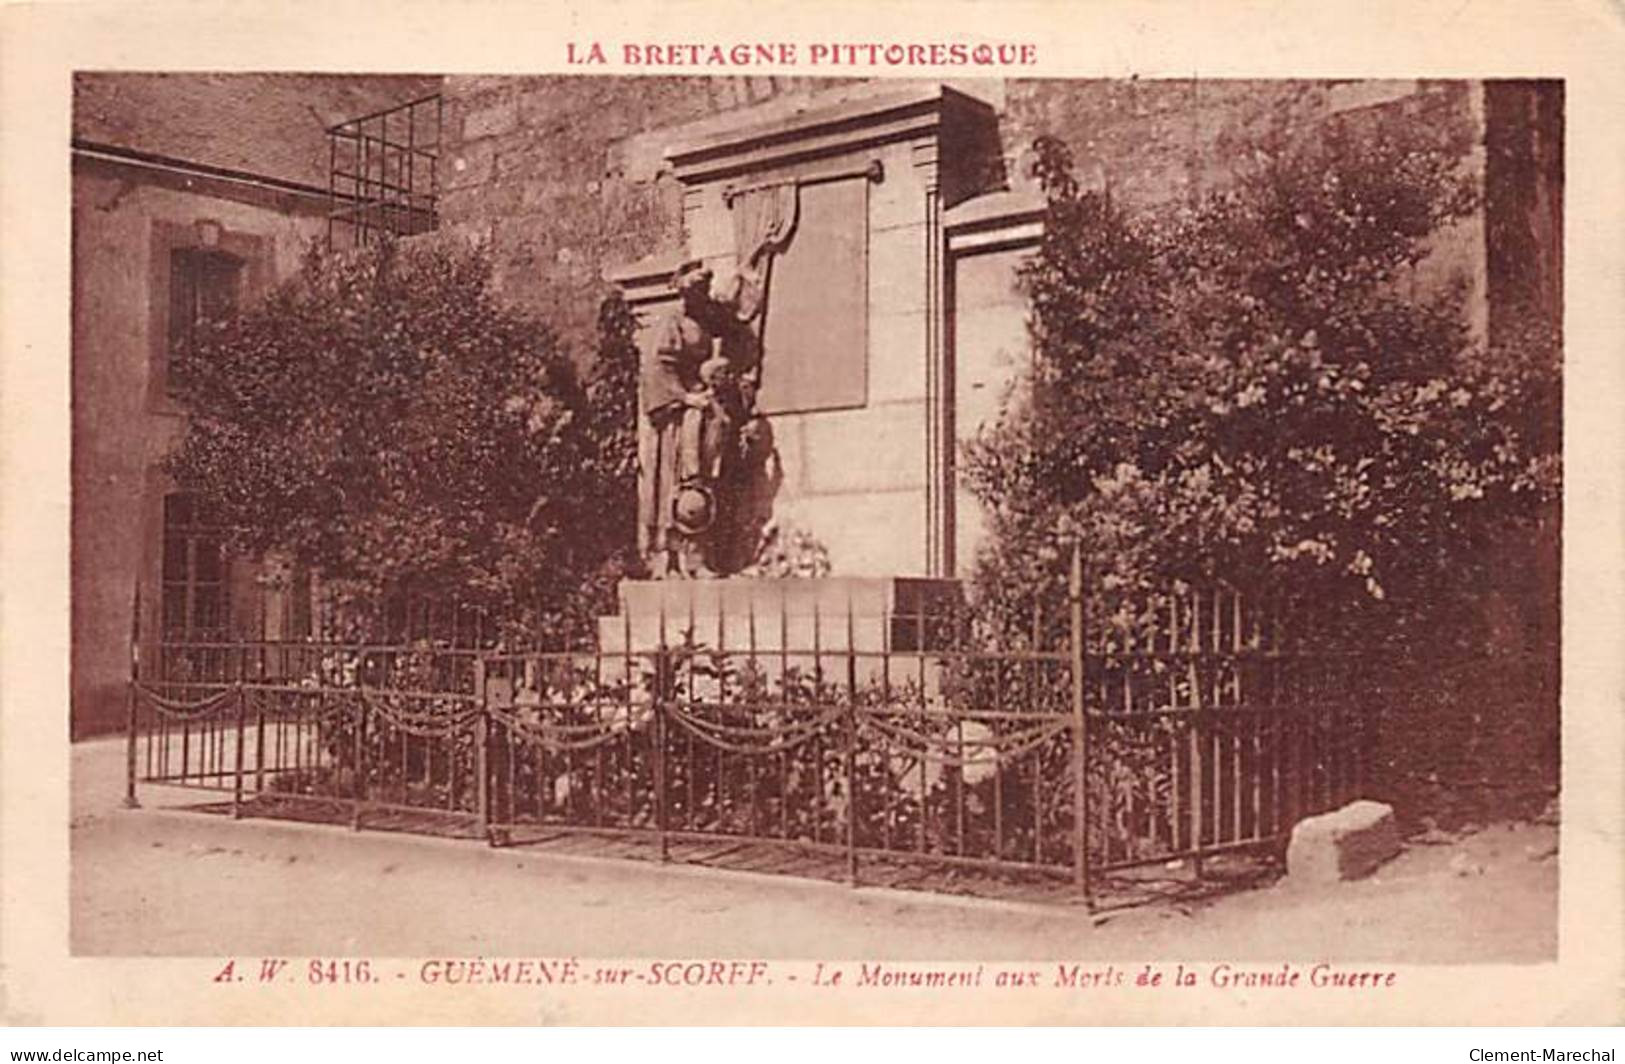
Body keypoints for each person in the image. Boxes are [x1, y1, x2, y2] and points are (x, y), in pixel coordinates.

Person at [638, 261, 758, 578]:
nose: (701, 296)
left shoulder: (705, 317)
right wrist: (685, 397)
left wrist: (746, 277)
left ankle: (698, 555)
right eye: (696, 291)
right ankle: (675, 559)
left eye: (704, 290)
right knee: (681, 482)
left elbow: (736, 315)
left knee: (706, 474)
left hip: (702, 403)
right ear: (684, 293)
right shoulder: (672, 323)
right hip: (679, 412)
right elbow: (657, 368)